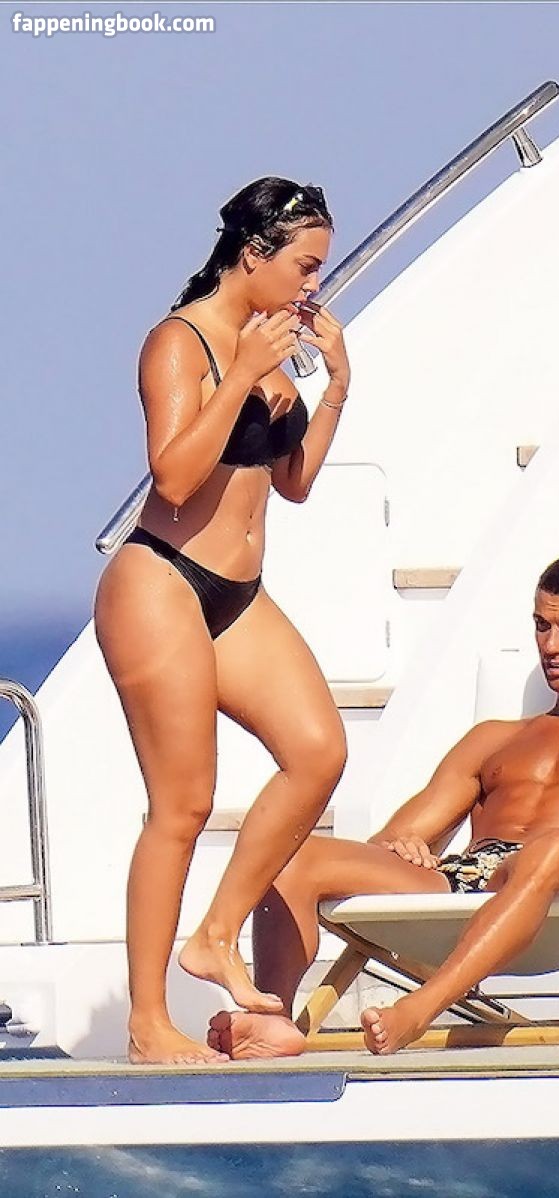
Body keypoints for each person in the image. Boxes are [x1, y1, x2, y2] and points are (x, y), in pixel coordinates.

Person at [206, 549, 559, 1060]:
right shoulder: (495, 738)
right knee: (294, 857)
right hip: (467, 879)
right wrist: (405, 845)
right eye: (541, 626)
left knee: (552, 847)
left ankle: (422, 1007)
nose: (551, 646)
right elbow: (393, 839)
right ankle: (273, 1018)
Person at [94, 177, 351, 1065]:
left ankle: (215, 933)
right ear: (253, 254)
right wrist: (241, 372)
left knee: (319, 751)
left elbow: (294, 483)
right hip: (161, 582)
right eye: (304, 266)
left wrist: (336, 386)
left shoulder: (272, 347)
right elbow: (173, 478)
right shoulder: (180, 341)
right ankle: (147, 1020)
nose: (313, 284)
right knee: (184, 804)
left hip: (238, 593)